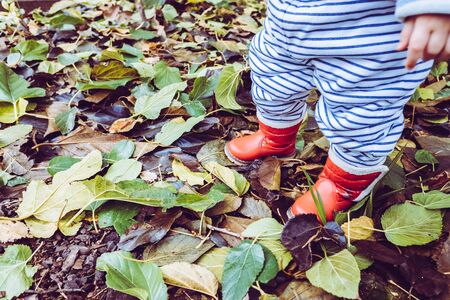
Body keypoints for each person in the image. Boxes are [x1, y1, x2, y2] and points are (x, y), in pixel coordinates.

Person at [224, 0, 450, 221]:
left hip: (368, 35)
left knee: (361, 113)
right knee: (272, 78)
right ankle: (275, 137)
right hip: (287, 22)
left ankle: (344, 181)